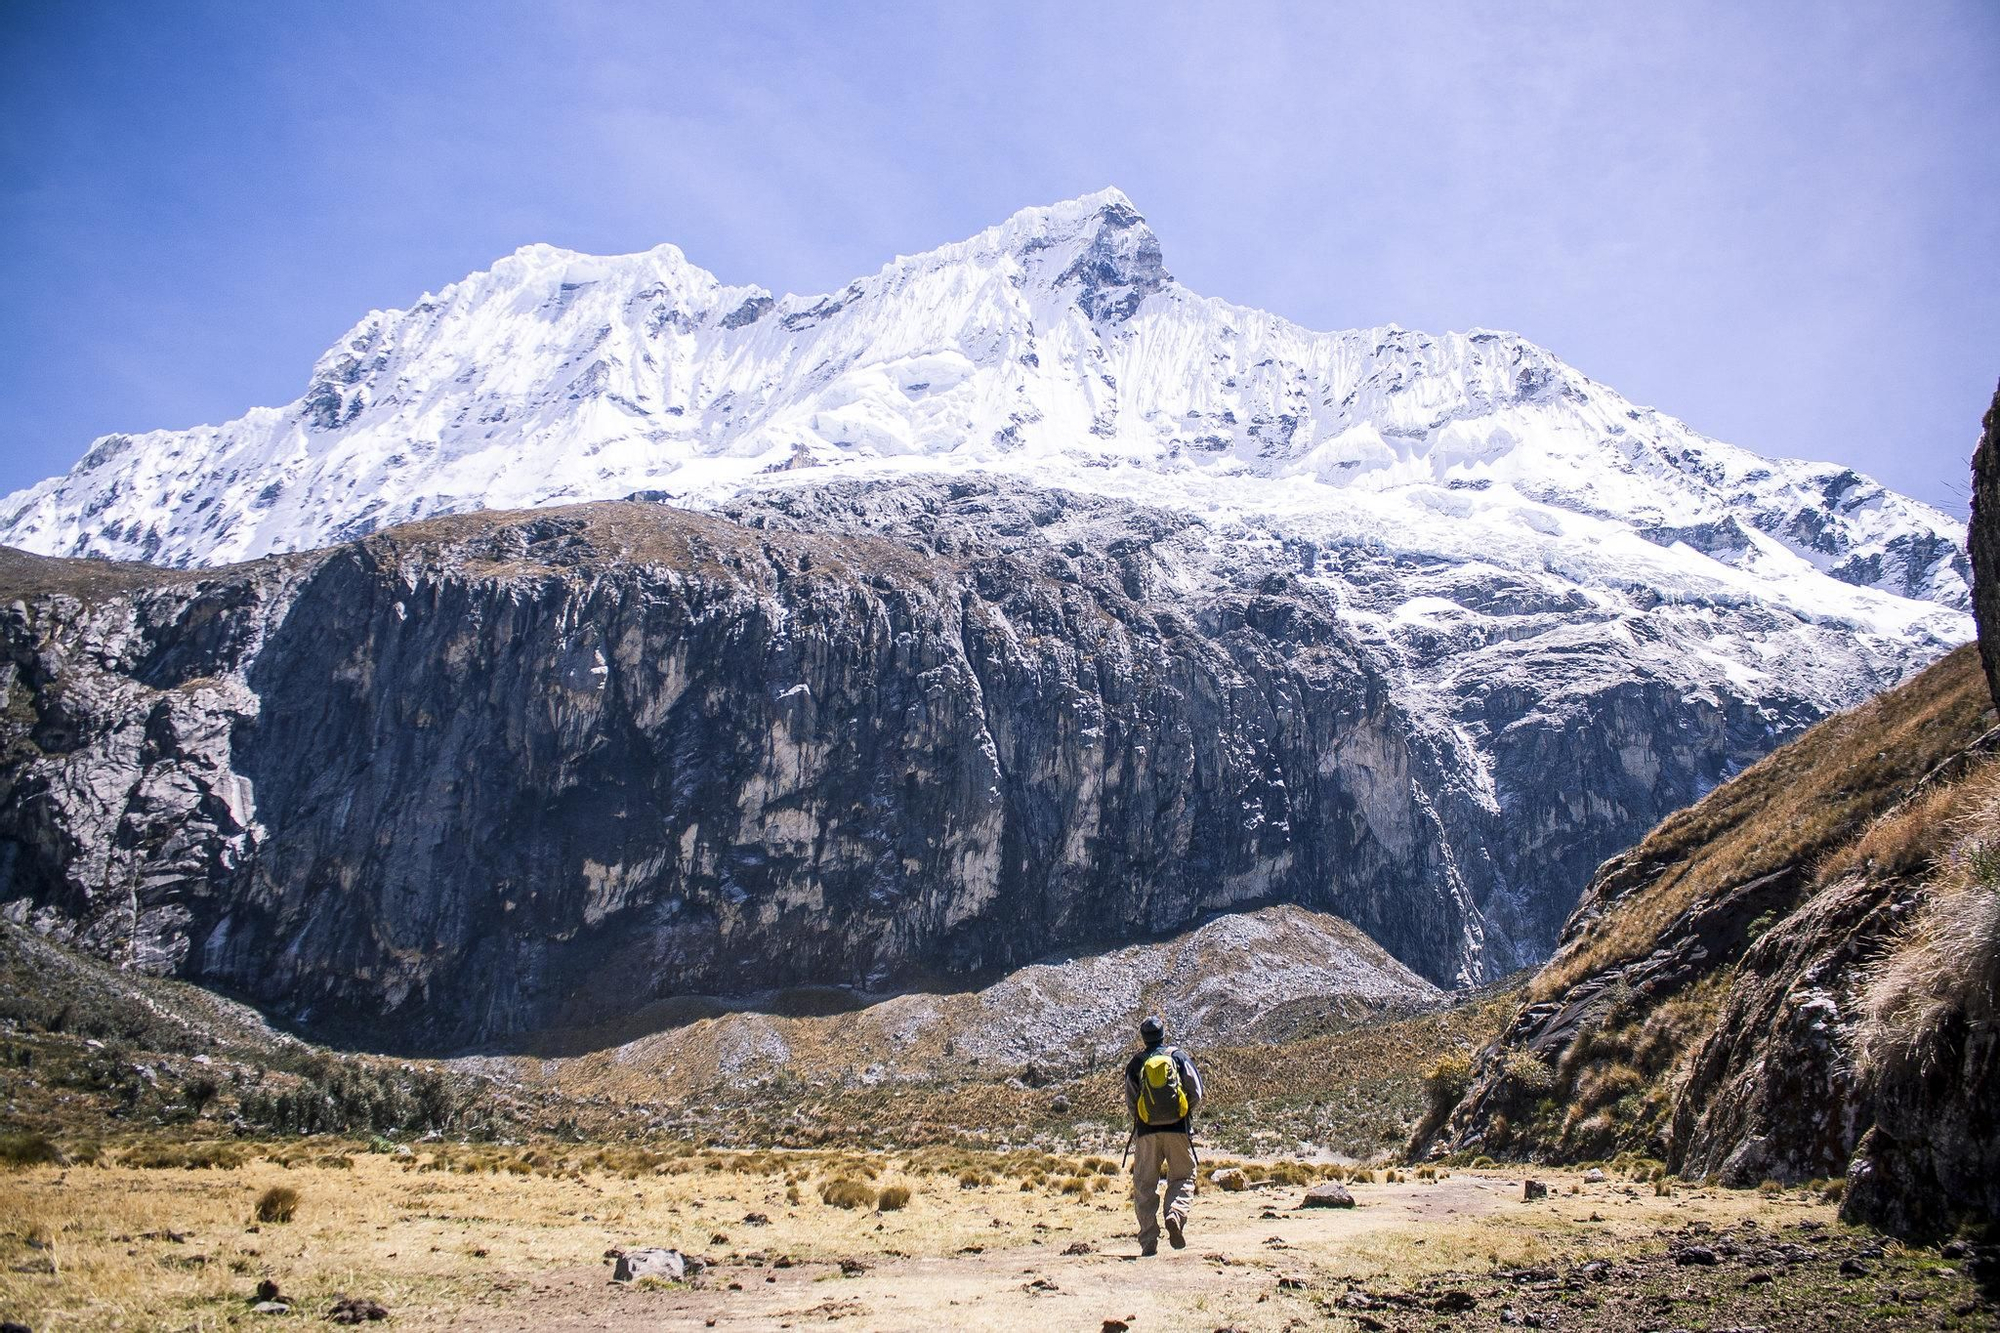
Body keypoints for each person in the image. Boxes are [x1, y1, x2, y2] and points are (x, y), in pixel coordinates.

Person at [1122, 1014, 1203, 1256]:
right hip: (1178, 1129)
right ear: (1162, 1034)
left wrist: (1144, 1119)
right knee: (1183, 1176)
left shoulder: (1136, 1063)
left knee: (1144, 1185)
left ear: (1143, 1038)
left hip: (1147, 1133)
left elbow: (1131, 1101)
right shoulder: (1178, 1057)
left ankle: (1148, 1240)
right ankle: (1175, 1214)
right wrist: (1183, 1113)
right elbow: (1196, 1091)